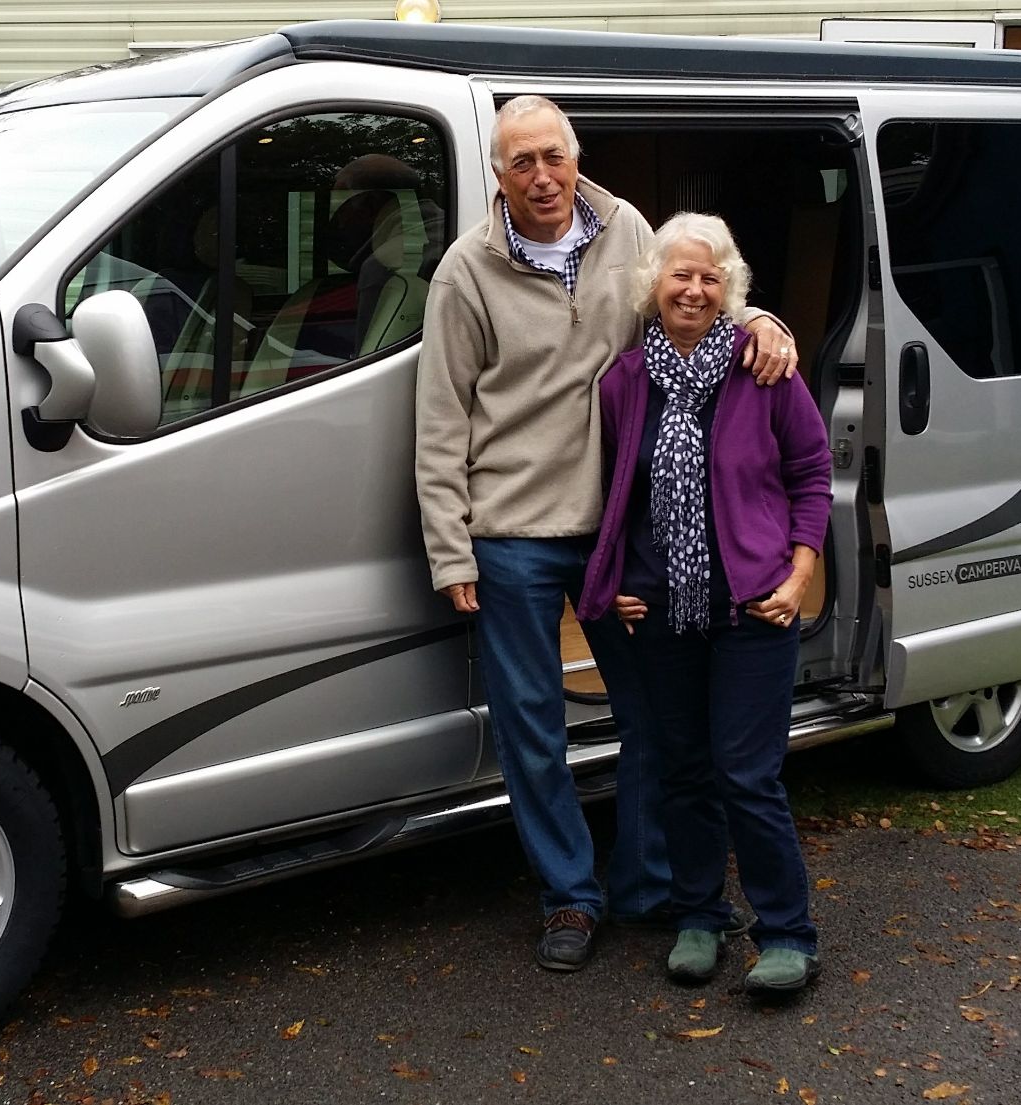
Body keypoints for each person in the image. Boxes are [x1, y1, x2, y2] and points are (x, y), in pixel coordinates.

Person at [414, 95, 800, 972]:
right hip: (509, 534)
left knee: (654, 719)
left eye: (554, 156)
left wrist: (760, 324)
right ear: (498, 174)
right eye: (523, 163)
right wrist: (450, 543)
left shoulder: (627, 226)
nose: (543, 177)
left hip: (619, 527)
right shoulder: (465, 272)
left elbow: (691, 294)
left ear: (575, 156)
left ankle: (647, 884)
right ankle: (570, 898)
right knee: (532, 728)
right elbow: (440, 418)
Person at [577, 212, 833, 995]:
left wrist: (797, 578)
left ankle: (787, 932)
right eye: (679, 275)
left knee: (745, 775)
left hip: (754, 609)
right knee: (682, 770)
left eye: (709, 277)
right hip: (659, 611)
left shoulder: (764, 369)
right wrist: (615, 573)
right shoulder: (624, 380)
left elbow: (813, 472)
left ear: (731, 291)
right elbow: (615, 490)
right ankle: (699, 915)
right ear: (653, 285)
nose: (693, 289)